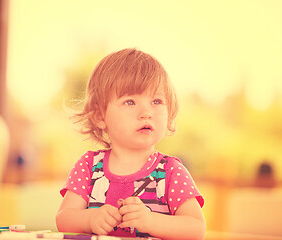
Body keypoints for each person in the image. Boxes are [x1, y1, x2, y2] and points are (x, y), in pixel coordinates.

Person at [56, 48, 205, 239]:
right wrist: (90, 218)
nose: (146, 112)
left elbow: (196, 229)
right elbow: (63, 218)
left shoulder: (171, 171)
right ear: (100, 116)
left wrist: (151, 221)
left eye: (157, 101)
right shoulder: (89, 166)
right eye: (130, 102)